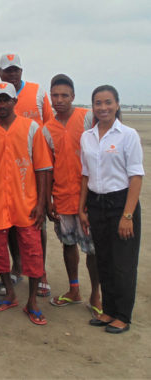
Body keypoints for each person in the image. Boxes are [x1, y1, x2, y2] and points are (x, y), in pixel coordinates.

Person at [0, 82, 52, 325]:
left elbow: (43, 168)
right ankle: (10, 294)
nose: (2, 104)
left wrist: (41, 204)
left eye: (7, 100)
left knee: (33, 252)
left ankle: (32, 301)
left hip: (26, 204)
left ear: (15, 102)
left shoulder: (31, 128)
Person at [0, 53, 54, 296]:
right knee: (10, 227)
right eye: (8, 70)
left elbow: (50, 127)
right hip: (5, 176)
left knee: (36, 226)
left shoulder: (37, 92)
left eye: (16, 70)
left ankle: (41, 272)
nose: (13, 74)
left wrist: (45, 191)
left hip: (34, 168)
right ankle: (17, 267)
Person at [79, 85, 144, 334]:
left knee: (123, 262)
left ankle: (123, 316)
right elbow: (85, 175)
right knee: (103, 259)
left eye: (108, 102)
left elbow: (136, 176)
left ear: (117, 104)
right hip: (96, 203)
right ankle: (108, 310)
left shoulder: (127, 135)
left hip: (121, 203)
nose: (103, 107)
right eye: (98, 103)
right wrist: (82, 208)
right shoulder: (87, 136)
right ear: (92, 107)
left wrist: (127, 215)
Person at [42, 74, 101, 316]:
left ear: (73, 96)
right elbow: (47, 168)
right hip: (62, 198)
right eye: (55, 95)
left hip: (89, 198)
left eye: (64, 95)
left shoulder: (87, 117)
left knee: (93, 249)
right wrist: (49, 201)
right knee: (68, 245)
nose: (59, 100)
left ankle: (96, 294)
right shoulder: (47, 129)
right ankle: (73, 289)